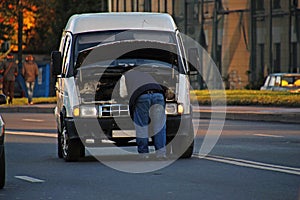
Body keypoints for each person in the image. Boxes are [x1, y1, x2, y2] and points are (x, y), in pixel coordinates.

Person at [120, 69, 167, 160]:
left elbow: (123, 94)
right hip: (158, 95)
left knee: (142, 125)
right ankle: (161, 154)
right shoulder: (146, 73)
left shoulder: (125, 76)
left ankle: (144, 154)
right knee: (159, 126)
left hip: (142, 97)